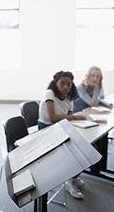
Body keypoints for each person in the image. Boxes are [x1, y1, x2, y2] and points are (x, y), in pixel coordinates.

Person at [37, 71, 87, 199]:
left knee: (87, 148)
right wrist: (74, 118)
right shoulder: (49, 94)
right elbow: (53, 118)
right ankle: (69, 181)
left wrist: (72, 119)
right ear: (56, 83)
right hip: (46, 131)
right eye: (62, 83)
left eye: (69, 84)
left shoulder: (69, 97)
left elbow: (67, 119)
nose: (66, 87)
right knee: (75, 151)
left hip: (60, 129)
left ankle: (73, 177)